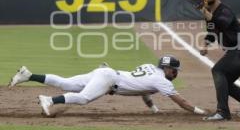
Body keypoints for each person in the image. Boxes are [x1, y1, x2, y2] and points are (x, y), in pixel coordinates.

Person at [8, 55, 205, 116]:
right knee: (84, 99)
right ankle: (49, 100)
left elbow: (144, 91)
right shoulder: (162, 81)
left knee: (65, 82)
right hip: (109, 79)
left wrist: (154, 109)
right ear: (169, 69)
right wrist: (198, 111)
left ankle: (28, 74)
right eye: (175, 70)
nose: (176, 74)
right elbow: (181, 101)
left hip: (107, 74)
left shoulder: (151, 71)